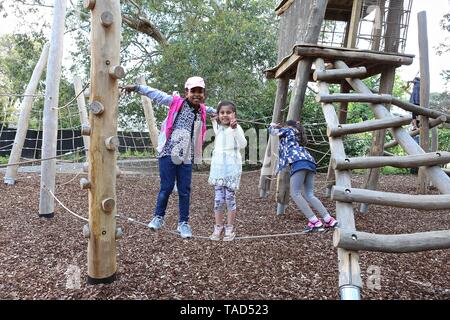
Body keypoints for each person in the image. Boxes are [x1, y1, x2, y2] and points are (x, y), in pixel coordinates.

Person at [121, 76, 216, 238]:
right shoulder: (175, 102)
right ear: (187, 92)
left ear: (204, 94)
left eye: (200, 91)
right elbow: (155, 94)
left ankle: (183, 223)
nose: (197, 95)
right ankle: (158, 217)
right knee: (166, 187)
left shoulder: (203, 110)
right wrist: (136, 88)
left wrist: (228, 116)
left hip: (186, 156)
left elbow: (220, 113)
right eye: (193, 91)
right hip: (168, 152)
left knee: (185, 190)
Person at [269, 120, 338, 233]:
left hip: (299, 162)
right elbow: (284, 152)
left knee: (295, 193)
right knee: (309, 194)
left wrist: (272, 125)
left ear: (288, 126)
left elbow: (272, 131)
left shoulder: (288, 130)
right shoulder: (297, 135)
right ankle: (329, 220)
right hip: (310, 161)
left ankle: (314, 221)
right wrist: (278, 168)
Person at [208, 101, 247, 241]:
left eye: (228, 112)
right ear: (218, 115)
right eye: (222, 112)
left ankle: (229, 228)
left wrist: (235, 129)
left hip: (231, 169)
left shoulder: (236, 128)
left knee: (230, 199)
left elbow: (243, 144)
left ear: (234, 114)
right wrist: (213, 120)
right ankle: (218, 227)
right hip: (218, 170)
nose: (225, 115)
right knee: (218, 200)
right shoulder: (219, 128)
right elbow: (217, 129)